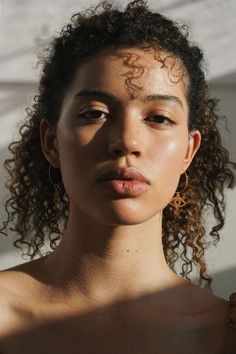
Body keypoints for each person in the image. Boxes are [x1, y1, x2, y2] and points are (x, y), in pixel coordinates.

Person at [0, 0, 235, 352]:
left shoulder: (225, 333)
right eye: (95, 113)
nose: (126, 141)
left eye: (158, 118)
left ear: (189, 150)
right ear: (51, 142)